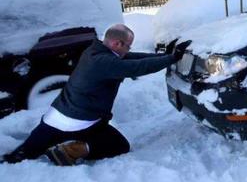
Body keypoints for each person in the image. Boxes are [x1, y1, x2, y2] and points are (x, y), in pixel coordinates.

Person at [1, 24, 190, 166]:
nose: (129, 50)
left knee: (25, 153)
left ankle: (22, 153)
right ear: (117, 43)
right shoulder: (105, 62)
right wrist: (173, 58)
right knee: (118, 145)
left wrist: (167, 56)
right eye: (128, 46)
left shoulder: (94, 51)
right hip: (82, 121)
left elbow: (133, 58)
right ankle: (71, 151)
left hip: (53, 118)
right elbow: (138, 66)